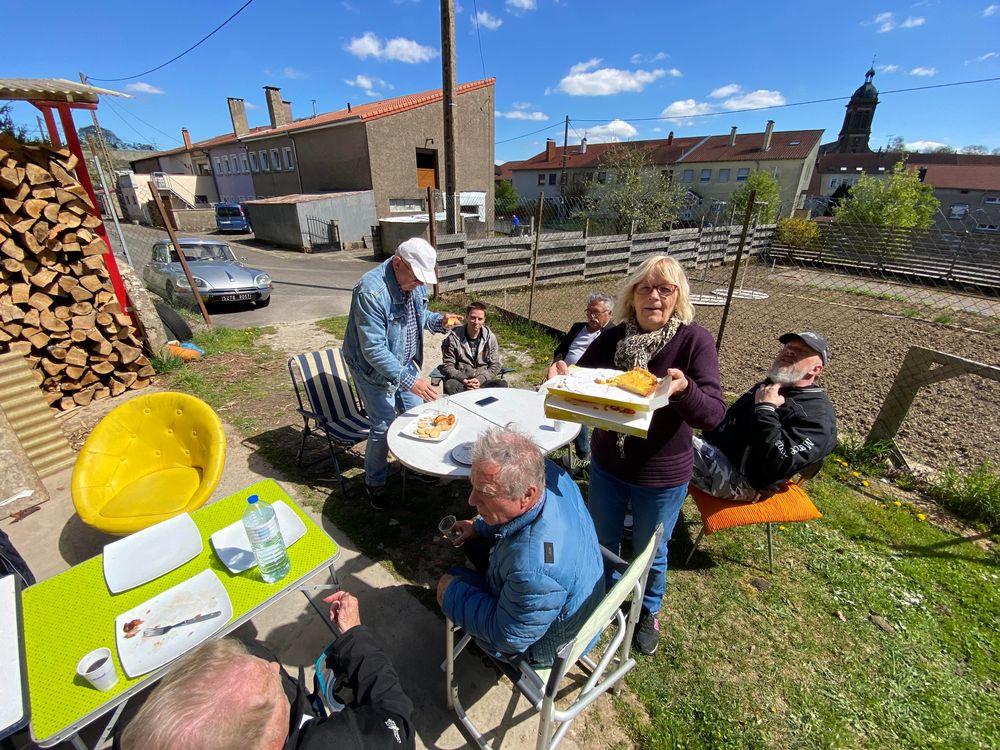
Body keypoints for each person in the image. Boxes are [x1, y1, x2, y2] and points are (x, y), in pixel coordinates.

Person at [576, 254, 725, 656]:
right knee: (602, 540)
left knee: (650, 551)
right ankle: (604, 599)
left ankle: (648, 610)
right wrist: (562, 372)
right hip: (608, 463)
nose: (654, 296)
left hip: (661, 474)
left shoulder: (694, 341)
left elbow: (714, 414)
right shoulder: (615, 337)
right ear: (632, 295)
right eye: (645, 288)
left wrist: (685, 389)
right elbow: (582, 377)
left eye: (665, 288)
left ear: (678, 296)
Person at [119, 591, 415, 750]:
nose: (277, 667)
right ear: (272, 743)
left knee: (254, 650)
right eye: (274, 682)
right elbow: (396, 718)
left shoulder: (136, 739)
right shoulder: (340, 743)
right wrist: (353, 635)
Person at [436, 427, 604, 667]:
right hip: (571, 599)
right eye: (473, 486)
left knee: (449, 583)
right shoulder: (553, 475)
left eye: (485, 492)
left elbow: (508, 638)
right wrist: (479, 527)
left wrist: (452, 594)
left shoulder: (535, 572)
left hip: (547, 646)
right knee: (474, 545)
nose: (471, 500)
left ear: (526, 494)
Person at [342, 237, 463, 510]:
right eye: (416, 277)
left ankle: (415, 467)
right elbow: (373, 349)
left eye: (423, 279)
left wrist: (439, 321)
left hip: (404, 362)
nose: (420, 284)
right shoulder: (370, 292)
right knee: (384, 426)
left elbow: (420, 315)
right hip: (371, 369)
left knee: (417, 415)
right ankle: (375, 483)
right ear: (398, 263)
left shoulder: (413, 285)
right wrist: (410, 381)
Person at [692, 331, 838, 501]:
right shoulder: (771, 386)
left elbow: (780, 461)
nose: (790, 351)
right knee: (670, 429)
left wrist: (766, 409)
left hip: (742, 482)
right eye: (788, 347)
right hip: (714, 451)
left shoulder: (818, 414)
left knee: (671, 447)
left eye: (801, 351)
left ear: (816, 369)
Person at [545, 292, 615, 472]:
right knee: (547, 400)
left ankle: (583, 455)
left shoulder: (612, 335)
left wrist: (576, 374)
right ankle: (561, 438)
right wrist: (556, 364)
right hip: (562, 374)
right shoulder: (577, 328)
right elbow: (560, 350)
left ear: (609, 313)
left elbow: (608, 365)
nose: (592, 316)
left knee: (575, 408)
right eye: (589, 311)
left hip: (586, 381)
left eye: (596, 312)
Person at [438, 301, 508, 394]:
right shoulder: (453, 338)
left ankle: (477, 394)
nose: (476, 322)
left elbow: (495, 365)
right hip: (462, 381)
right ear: (467, 317)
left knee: (502, 384)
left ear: (484, 320)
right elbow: (448, 365)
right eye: (473, 318)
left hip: (482, 381)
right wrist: (464, 379)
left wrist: (480, 379)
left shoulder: (490, 338)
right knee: (450, 384)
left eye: (480, 319)